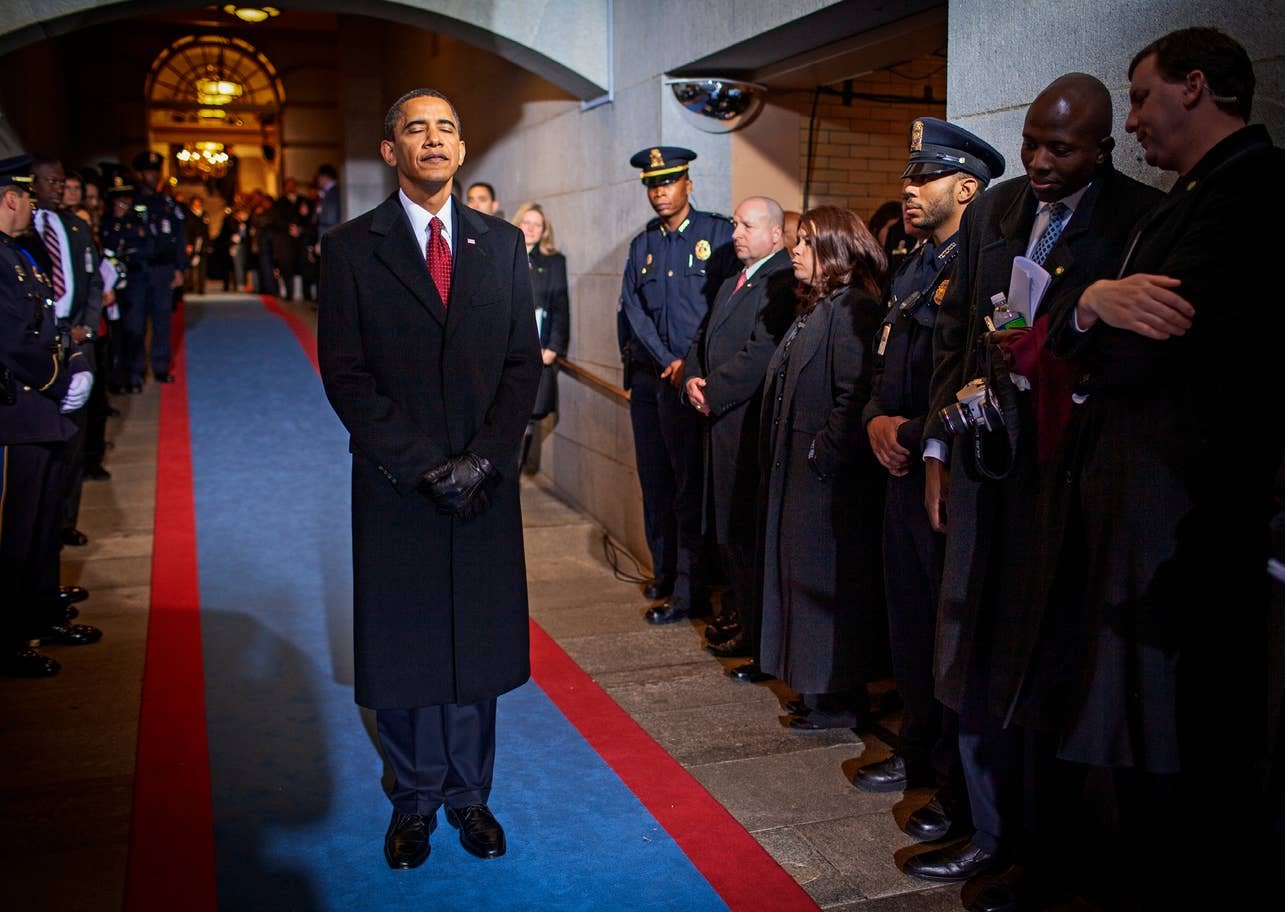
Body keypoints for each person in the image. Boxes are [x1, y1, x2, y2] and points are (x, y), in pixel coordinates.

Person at [905, 75, 1161, 898]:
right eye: (1031, 146)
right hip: (986, 468)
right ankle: (985, 827)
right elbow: (955, 336)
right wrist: (938, 445)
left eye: (1062, 150)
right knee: (971, 654)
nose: (1041, 164)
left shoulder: (1136, 220)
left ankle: (1039, 851)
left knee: (1043, 671)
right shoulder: (995, 209)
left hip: (1067, 480)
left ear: (1101, 147)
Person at [1046, 28, 1282, 898]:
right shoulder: (1178, 199)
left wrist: (1091, 325)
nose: (1133, 120)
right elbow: (1091, 326)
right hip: (1138, 500)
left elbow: (1153, 349)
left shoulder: (1252, 187)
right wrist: (1093, 304)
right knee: (1133, 729)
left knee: (1188, 745)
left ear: (1194, 86)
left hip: (1188, 508)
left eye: (1141, 97)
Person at [317, 88, 541, 871]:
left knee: (476, 641)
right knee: (406, 641)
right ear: (391, 151)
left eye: (447, 126)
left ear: (461, 146)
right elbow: (345, 376)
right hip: (397, 482)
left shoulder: (503, 244)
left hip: (484, 479)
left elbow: (521, 365)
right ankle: (412, 802)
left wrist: (484, 456)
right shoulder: (350, 248)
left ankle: (470, 794)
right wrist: (421, 464)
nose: (434, 139)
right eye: (416, 128)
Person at [853, 120, 1004, 853]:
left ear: (966, 188)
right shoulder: (913, 264)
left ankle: (951, 785)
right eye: (908, 177)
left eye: (924, 178)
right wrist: (877, 418)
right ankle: (918, 757)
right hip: (897, 470)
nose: (906, 190)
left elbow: (983, 369)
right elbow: (889, 364)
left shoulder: (982, 268)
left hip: (943, 470)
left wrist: (912, 430)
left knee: (947, 640)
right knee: (907, 623)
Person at [757, 205, 886, 728]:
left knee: (829, 588)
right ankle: (816, 689)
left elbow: (853, 396)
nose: (795, 249)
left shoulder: (852, 306)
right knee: (802, 584)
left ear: (834, 249)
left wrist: (821, 455)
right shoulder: (818, 305)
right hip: (801, 475)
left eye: (808, 241)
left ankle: (838, 696)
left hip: (825, 479)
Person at [618, 146, 737, 622]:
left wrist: (689, 362)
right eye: (652, 184)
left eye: (668, 182)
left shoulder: (717, 234)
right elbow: (632, 308)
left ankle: (691, 592)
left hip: (695, 384)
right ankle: (665, 573)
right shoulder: (642, 245)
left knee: (690, 490)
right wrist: (667, 359)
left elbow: (725, 307)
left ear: (689, 184)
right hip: (653, 381)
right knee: (656, 483)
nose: (659, 191)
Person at [682, 196, 794, 669]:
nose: (736, 234)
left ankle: (756, 633)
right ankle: (740, 616)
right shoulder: (733, 280)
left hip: (745, 426)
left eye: (747, 226)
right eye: (735, 224)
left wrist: (713, 392)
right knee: (726, 532)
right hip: (718, 425)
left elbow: (762, 352)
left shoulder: (783, 281)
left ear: (775, 234)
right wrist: (690, 374)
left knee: (745, 535)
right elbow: (701, 337)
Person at [0, 153, 101, 678]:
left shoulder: (21, 254)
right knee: (13, 531)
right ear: (10, 199)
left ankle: (39, 613)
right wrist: (60, 380)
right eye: (26, 199)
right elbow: (13, 341)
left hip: (40, 411)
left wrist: (71, 362)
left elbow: (47, 324)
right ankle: (9, 634)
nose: (33, 208)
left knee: (41, 526)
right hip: (16, 413)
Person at [25, 157, 103, 549]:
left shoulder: (75, 226)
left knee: (74, 435)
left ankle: (66, 519)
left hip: (79, 341)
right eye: (51, 181)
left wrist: (85, 328)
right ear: (31, 184)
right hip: (39, 347)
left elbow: (92, 283)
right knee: (44, 439)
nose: (58, 188)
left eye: (62, 181)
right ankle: (41, 522)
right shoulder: (22, 234)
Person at [512, 202, 569, 468]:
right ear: (518, 223)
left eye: (538, 224)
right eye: (527, 222)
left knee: (530, 412)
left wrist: (554, 348)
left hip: (538, 350)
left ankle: (517, 471)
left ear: (544, 230)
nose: (532, 229)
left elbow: (560, 307)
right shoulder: (502, 255)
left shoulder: (554, 262)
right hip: (505, 349)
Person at [130, 151, 185, 386]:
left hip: (163, 270)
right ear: (140, 173)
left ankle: (161, 366)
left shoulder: (168, 204)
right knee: (136, 323)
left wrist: (180, 268)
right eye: (148, 171)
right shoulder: (130, 202)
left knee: (162, 322)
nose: (152, 176)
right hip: (138, 270)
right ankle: (136, 371)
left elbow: (180, 237)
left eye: (155, 171)